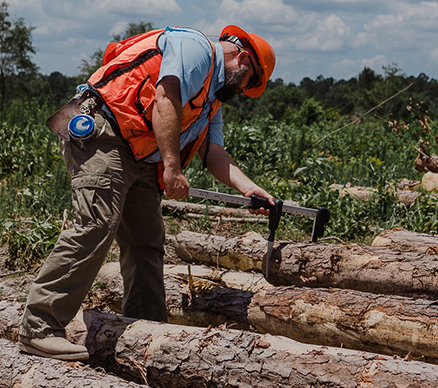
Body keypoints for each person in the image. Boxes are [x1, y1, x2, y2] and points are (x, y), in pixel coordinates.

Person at [17, 24, 276, 360]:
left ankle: (147, 331)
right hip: (104, 134)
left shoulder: (212, 100)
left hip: (139, 155)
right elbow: (165, 98)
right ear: (242, 59)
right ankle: (39, 329)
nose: (244, 91)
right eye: (250, 82)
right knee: (96, 225)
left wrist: (250, 188)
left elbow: (214, 155)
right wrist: (172, 168)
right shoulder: (195, 49)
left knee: (147, 240)